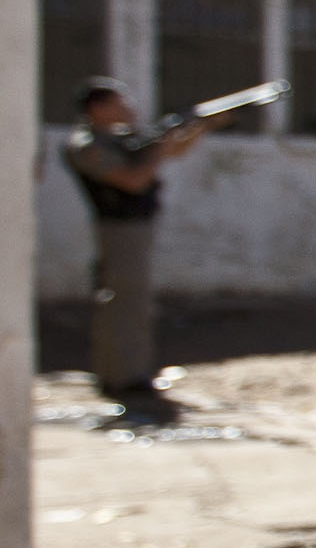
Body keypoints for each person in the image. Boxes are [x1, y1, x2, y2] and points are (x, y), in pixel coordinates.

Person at [62, 78, 215, 406]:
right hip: (118, 227)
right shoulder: (87, 144)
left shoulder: (120, 139)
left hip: (134, 225)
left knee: (134, 302)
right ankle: (121, 376)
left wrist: (202, 126)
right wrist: (160, 148)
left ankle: (131, 372)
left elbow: (170, 151)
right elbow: (133, 180)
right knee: (123, 302)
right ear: (98, 108)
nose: (129, 109)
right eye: (120, 102)